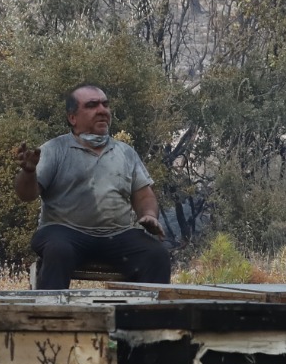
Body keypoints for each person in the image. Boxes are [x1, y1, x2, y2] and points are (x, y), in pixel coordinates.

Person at [16, 84, 173, 289]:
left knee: (157, 255)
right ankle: (52, 315)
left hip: (118, 235)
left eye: (105, 105)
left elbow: (144, 195)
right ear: (72, 118)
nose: (102, 110)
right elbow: (26, 195)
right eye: (92, 105)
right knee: (58, 250)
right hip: (65, 232)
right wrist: (28, 172)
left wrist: (150, 215)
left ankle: (145, 319)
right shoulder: (55, 149)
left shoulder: (125, 153)